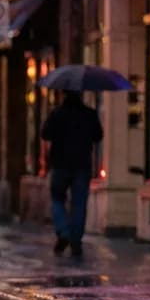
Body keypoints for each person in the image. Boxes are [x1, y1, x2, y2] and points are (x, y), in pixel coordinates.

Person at [41, 91, 103, 257]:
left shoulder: (57, 113)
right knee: (79, 203)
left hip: (60, 164)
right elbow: (98, 136)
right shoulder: (89, 114)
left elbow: (45, 133)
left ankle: (63, 231)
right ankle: (76, 240)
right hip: (82, 164)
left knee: (57, 199)